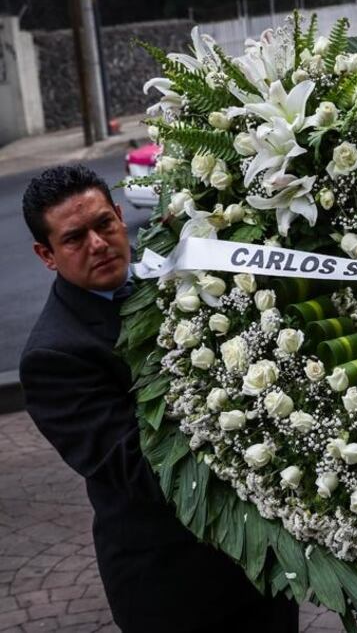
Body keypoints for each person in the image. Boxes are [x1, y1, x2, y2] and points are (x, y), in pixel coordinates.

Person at [19, 165, 299, 633]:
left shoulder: (172, 273)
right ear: (46, 255)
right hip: (174, 588)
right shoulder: (54, 355)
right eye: (74, 239)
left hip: (257, 568)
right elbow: (142, 466)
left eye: (104, 224)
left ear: (120, 216)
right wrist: (258, 432)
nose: (98, 244)